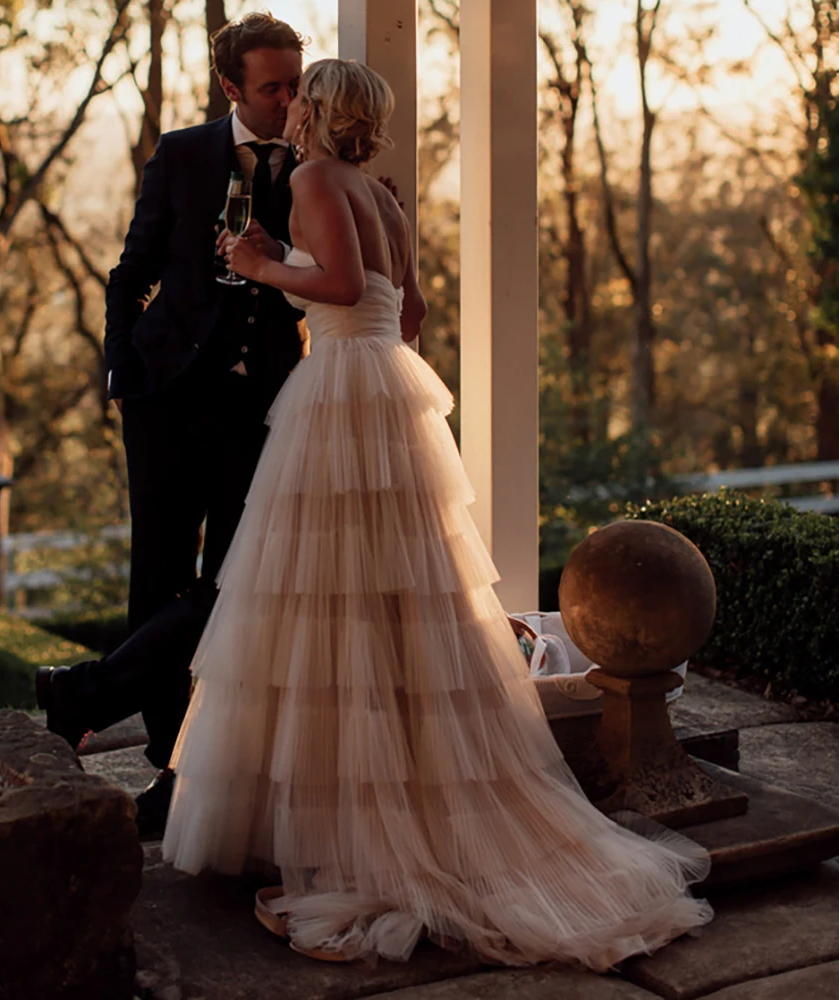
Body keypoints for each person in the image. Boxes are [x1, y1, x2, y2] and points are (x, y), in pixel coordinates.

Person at [162, 58, 713, 969]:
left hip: (342, 396)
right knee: (395, 599)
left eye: (303, 95)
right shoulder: (383, 197)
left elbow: (338, 289)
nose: (291, 104)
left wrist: (260, 264)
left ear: (321, 110)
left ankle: (361, 843)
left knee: (331, 604)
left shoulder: (311, 179)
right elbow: (406, 312)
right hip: (389, 389)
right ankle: (397, 809)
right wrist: (319, 279)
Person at [36, 13, 308, 837]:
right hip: (165, 396)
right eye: (273, 87)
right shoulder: (183, 153)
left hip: (262, 405)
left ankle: (100, 700)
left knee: (228, 585)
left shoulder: (316, 161)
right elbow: (131, 272)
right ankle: (164, 766)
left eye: (297, 82)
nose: (290, 100)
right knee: (155, 575)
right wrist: (123, 371)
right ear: (232, 87)